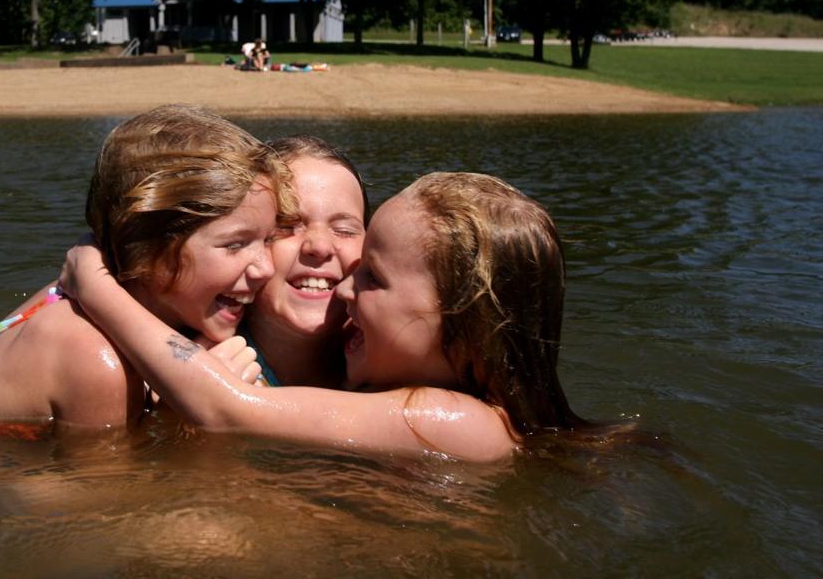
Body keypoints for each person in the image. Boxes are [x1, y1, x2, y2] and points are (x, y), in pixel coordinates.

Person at [60, 172, 591, 463]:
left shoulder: (458, 422)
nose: (345, 287)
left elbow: (227, 410)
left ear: (467, 328)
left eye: (373, 279)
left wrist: (97, 285)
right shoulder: (398, 396)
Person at [0, 104, 294, 435]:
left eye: (267, 239)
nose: (264, 268)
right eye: (235, 244)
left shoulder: (88, 286)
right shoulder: (99, 363)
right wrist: (181, 418)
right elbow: (104, 502)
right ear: (147, 249)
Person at [242, 135, 368, 388]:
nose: (319, 247)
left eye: (344, 230)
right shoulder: (186, 371)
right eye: (287, 224)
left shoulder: (397, 363)